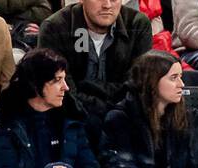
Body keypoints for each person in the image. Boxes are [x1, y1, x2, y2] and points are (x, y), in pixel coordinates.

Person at [36, 0, 158, 130]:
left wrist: (86, 86)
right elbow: (62, 92)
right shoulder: (54, 27)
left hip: (124, 120)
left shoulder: (138, 24)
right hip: (71, 121)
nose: (107, 5)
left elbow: (137, 86)